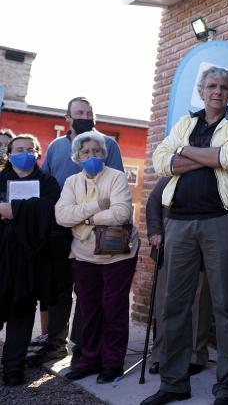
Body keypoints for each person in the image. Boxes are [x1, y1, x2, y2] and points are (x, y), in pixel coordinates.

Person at [143, 66, 228, 405]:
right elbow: (161, 161)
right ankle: (174, 382)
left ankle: (226, 388)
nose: (217, 91)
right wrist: (208, 157)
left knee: (226, 307)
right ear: (201, 91)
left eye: (223, 87)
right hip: (178, 222)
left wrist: (186, 151)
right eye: (211, 86)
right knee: (175, 305)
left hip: (221, 221)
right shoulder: (184, 124)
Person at [33, 97, 124, 369]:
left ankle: (84, 347)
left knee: (91, 292)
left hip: (99, 229)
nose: (86, 116)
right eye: (80, 112)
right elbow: (47, 185)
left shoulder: (108, 145)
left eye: (89, 112)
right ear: (68, 117)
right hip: (62, 230)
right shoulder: (57, 147)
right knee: (60, 288)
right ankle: (55, 344)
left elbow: (115, 187)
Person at [55, 131, 138, 384]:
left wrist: (85, 219)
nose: (92, 155)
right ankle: (89, 360)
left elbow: (121, 214)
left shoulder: (117, 177)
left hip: (117, 255)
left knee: (113, 309)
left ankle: (112, 363)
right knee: (89, 310)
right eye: (86, 152)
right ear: (77, 157)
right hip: (83, 256)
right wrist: (97, 207)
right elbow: (62, 216)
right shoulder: (71, 182)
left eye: (97, 151)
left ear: (104, 154)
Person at [0, 134, 65, 386]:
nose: (24, 153)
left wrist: (13, 210)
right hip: (2, 256)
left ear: (37, 153)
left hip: (31, 260)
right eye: (19, 149)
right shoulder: (1, 179)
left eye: (30, 149)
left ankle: (13, 368)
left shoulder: (48, 182)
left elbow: (52, 211)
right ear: (9, 153)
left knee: (22, 311)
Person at [145, 177, 212, 377]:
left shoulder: (215, 174)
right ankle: (160, 355)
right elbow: (153, 202)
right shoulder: (172, 173)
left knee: (199, 304)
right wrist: (155, 231)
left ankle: (195, 355)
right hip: (170, 247)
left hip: (202, 248)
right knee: (165, 303)